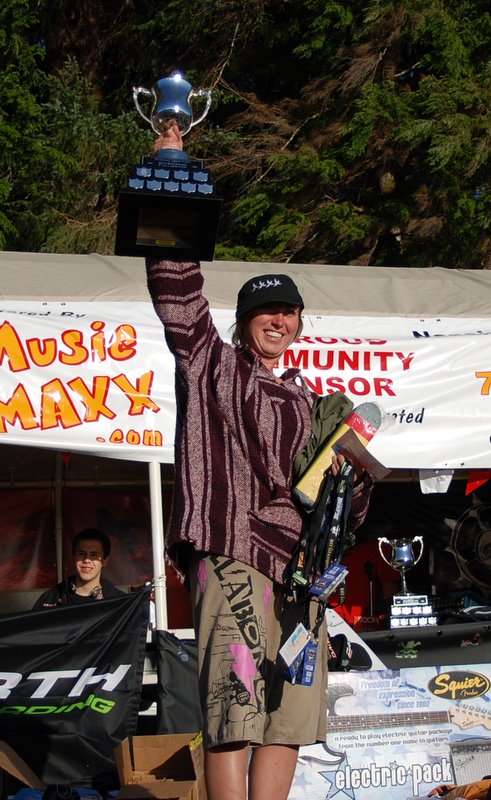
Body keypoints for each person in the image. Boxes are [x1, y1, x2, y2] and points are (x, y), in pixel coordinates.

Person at [146, 124, 373, 800]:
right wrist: (170, 168)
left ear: (299, 324)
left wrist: (348, 486)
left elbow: (340, 506)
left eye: (287, 311)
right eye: (264, 310)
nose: (276, 320)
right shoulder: (209, 363)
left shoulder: (312, 401)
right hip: (234, 552)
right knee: (234, 707)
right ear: (242, 320)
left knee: (289, 718)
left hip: (304, 578)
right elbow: (175, 283)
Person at [32, 528, 125, 609]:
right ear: (73, 557)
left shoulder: (121, 602)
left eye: (94, 555)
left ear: (105, 561)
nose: (87, 559)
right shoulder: (49, 599)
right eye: (81, 553)